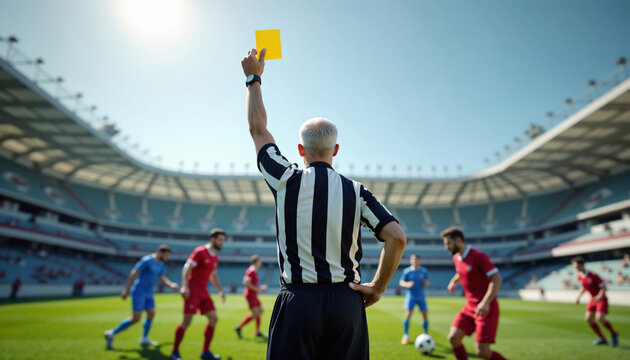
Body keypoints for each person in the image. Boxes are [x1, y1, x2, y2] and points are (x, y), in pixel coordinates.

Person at [241, 48, 407, 360]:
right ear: (336, 149)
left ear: (300, 149)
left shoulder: (285, 179)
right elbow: (396, 237)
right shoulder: (356, 191)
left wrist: (254, 79)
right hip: (346, 304)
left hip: (298, 303)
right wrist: (378, 287)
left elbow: (258, 130)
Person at [442, 227, 506, 360]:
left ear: (458, 240)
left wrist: (485, 302)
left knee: (482, 351)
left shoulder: (478, 256)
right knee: (454, 338)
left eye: (448, 243)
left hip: (485, 309)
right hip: (469, 308)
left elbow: (497, 278)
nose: (446, 247)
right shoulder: (456, 258)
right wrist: (453, 282)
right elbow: (462, 272)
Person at [105, 245, 178, 349]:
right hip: (139, 291)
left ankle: (144, 338)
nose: (168, 258)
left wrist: (170, 284)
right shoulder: (147, 260)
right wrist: (126, 289)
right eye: (167, 255)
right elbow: (134, 273)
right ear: (160, 253)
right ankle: (111, 333)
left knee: (151, 313)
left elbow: (161, 276)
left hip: (149, 292)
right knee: (136, 318)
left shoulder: (160, 264)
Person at [171, 229, 226, 360]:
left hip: (204, 291)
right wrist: (184, 286)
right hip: (193, 290)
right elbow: (186, 268)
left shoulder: (215, 256)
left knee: (213, 318)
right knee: (187, 321)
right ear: (212, 239)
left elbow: (213, 276)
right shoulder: (200, 251)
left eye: (223, 240)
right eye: (220, 240)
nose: (222, 243)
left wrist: (220, 290)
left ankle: (205, 352)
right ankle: (174, 352)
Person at [572, 257, 619, 346]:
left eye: (576, 266)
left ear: (581, 265)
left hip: (601, 299)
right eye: (574, 267)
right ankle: (602, 338)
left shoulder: (593, 275)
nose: (575, 268)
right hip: (592, 299)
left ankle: (614, 333)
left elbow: (604, 288)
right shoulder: (579, 276)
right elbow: (583, 287)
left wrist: (599, 297)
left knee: (599, 318)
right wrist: (578, 297)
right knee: (588, 319)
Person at [234, 254, 268, 339]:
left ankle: (257, 332)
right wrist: (258, 289)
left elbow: (252, 284)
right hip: (250, 295)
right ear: (256, 262)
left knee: (260, 310)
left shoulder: (254, 271)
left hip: (253, 295)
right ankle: (239, 327)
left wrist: (259, 288)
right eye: (260, 261)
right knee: (256, 313)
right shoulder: (251, 271)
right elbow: (246, 283)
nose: (261, 263)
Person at [399, 254, 430, 344]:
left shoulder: (423, 271)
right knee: (408, 315)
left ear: (419, 261)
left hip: (421, 296)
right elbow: (401, 282)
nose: (415, 261)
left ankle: (426, 334)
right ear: (411, 261)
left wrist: (426, 283)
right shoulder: (407, 271)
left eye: (417, 259)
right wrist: (407, 284)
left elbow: (427, 282)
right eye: (414, 259)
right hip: (411, 296)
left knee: (424, 315)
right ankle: (405, 335)